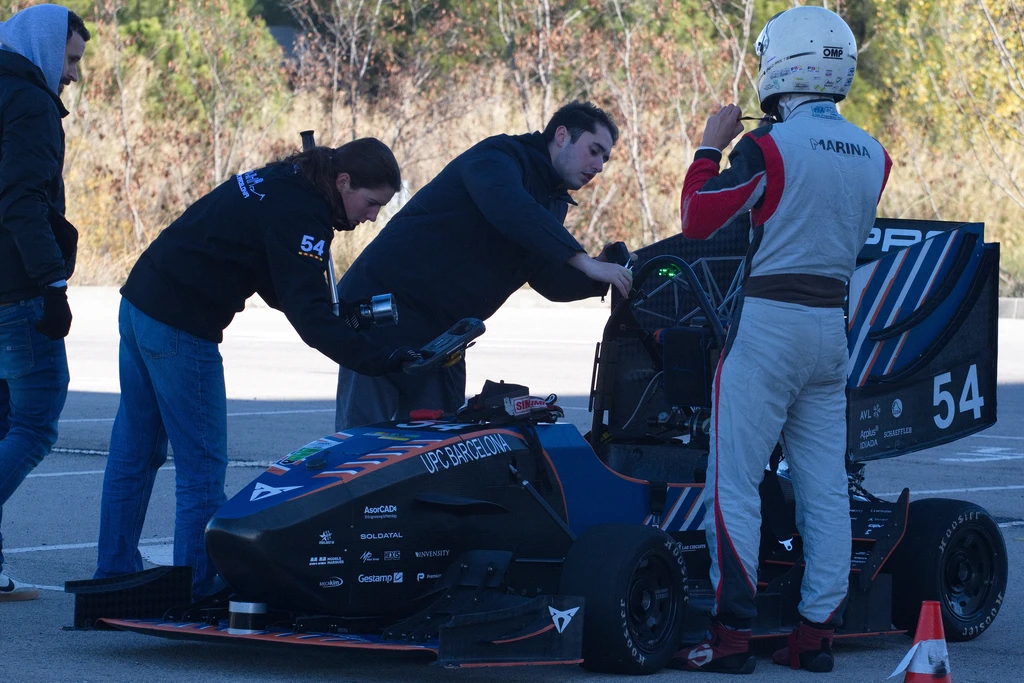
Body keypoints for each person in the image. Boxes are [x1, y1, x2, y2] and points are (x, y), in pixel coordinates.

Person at [668, 6, 892, 674]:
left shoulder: (766, 147)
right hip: (830, 329)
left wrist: (708, 148)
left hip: (769, 323)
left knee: (733, 481)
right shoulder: (875, 154)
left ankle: (731, 636)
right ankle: (815, 634)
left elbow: (697, 218)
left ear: (782, 64)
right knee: (825, 488)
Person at [94, 138, 417, 600]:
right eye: (371, 204)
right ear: (343, 181)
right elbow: (307, 314)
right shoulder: (303, 213)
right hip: (180, 324)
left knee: (135, 454)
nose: (371, 217)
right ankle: (198, 587)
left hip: (140, 303)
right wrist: (376, 360)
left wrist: (342, 317)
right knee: (202, 467)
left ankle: (112, 573)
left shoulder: (288, 178)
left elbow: (278, 279)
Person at [334, 100, 633, 430]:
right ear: (562, 136)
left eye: (604, 158)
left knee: (439, 446)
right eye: (594, 151)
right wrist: (581, 258)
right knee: (360, 444)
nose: (599, 166)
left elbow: (548, 278)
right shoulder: (497, 157)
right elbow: (509, 207)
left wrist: (603, 273)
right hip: (382, 313)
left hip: (442, 335)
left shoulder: (552, 201)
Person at [0, 4, 89, 602]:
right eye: (71, 58)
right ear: (43, 46)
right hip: (17, 291)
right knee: (33, 426)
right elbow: (22, 202)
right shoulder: (30, 103)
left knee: (4, 427)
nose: (74, 74)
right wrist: (52, 284)